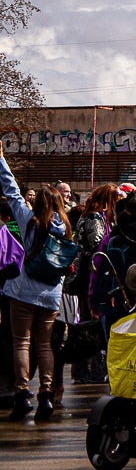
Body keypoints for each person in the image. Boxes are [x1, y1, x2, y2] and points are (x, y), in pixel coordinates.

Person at [0, 150, 70, 423]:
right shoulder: (64, 226)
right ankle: (46, 394)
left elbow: (11, 188)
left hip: (23, 291)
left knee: (22, 342)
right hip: (51, 292)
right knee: (44, 345)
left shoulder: (29, 221)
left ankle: (22, 394)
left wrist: (1, 159)